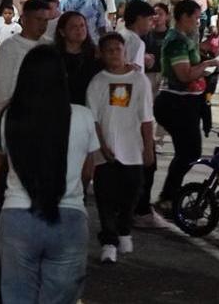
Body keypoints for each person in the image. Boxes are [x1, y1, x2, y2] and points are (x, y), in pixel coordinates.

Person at [0, 46, 99, 304]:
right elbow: (88, 170)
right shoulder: (83, 117)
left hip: (18, 218)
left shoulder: (11, 117)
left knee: (18, 294)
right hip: (69, 218)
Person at [86, 33, 155, 264]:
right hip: (105, 151)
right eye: (109, 50)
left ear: (125, 51)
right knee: (105, 197)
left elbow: (146, 118)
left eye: (118, 49)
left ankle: (124, 229)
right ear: (102, 54)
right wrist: (102, 146)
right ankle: (109, 241)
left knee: (131, 194)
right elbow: (93, 119)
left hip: (133, 149)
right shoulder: (97, 82)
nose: (114, 54)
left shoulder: (139, 81)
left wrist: (148, 147)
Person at [151, 0, 219, 214]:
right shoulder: (176, 41)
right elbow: (184, 74)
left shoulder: (185, 38)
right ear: (183, 17)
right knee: (188, 151)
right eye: (195, 17)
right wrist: (207, 65)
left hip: (186, 102)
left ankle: (169, 196)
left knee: (188, 151)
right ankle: (167, 197)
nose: (198, 22)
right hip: (176, 103)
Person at [0, 0, 50, 119]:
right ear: (24, 19)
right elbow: (3, 87)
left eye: (45, 20)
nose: (42, 25)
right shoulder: (8, 48)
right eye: (38, 19)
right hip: (15, 114)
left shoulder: (49, 45)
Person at [54, 11, 100, 106]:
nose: (79, 30)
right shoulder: (53, 56)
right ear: (62, 32)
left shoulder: (96, 54)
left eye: (82, 25)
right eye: (74, 27)